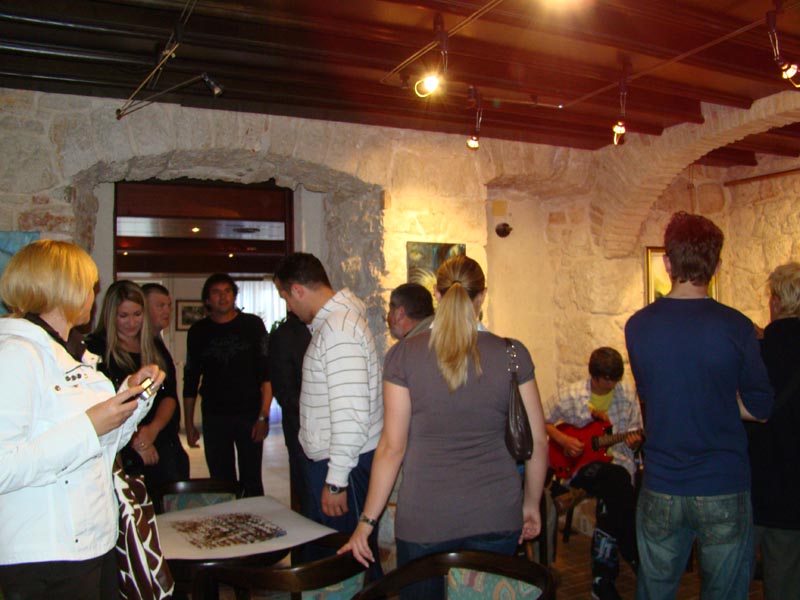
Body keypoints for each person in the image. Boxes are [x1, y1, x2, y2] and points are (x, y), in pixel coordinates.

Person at [341, 254, 549, 600]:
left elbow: (392, 448)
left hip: (425, 519)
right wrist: (530, 504)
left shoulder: (403, 355)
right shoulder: (513, 354)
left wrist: (366, 523)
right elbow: (538, 441)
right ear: (482, 296)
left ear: (437, 295)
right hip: (496, 515)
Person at [0, 240, 164, 599]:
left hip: (91, 541)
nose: (93, 296)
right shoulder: (15, 355)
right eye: (90, 286)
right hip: (45, 555)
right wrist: (90, 424)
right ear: (67, 289)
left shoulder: (73, 352)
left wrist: (134, 396)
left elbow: (102, 446)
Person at [625, 211, 773, 600]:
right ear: (717, 266)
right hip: (722, 482)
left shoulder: (638, 326)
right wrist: (722, 399)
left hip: (662, 481)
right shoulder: (737, 326)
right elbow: (760, 408)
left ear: (667, 263)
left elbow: (653, 393)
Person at [272, 253, 383, 576]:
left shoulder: (338, 330)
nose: (289, 308)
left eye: (286, 298)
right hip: (339, 462)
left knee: (344, 566)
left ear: (298, 290)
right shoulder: (334, 325)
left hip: (343, 465)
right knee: (341, 560)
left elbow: (351, 413)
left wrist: (335, 482)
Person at [544, 347, 642, 600]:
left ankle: (603, 581)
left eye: (615, 380)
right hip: (578, 466)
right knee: (618, 483)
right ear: (594, 376)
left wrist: (634, 442)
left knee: (613, 495)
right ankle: (633, 555)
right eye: (607, 381)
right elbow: (541, 420)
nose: (612, 386)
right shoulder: (571, 394)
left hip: (617, 463)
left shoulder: (627, 394)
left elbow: (635, 432)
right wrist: (564, 440)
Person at [86, 281, 188, 496]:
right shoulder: (96, 348)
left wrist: (152, 430)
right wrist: (136, 440)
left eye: (137, 314)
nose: (131, 323)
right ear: (110, 315)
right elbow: (98, 404)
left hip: (161, 439)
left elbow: (168, 395)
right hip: (120, 447)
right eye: (123, 316)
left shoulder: (154, 345)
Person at [183, 273, 271, 497]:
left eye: (227, 291)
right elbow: (191, 379)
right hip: (215, 416)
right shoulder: (198, 332)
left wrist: (263, 416)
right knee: (221, 482)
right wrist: (189, 423)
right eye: (216, 292)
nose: (223, 297)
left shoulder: (252, 325)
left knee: (252, 480)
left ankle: (255, 518)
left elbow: (266, 374)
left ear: (234, 295)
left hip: (249, 413)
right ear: (207, 300)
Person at [747, 262, 800, 600]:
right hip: (794, 492)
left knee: (731, 582)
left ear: (776, 301)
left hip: (752, 484)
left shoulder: (755, 353)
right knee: (786, 584)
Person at [267, 311, 312, 513]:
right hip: (300, 425)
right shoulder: (285, 334)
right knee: (307, 492)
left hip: (332, 431)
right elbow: (283, 388)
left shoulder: (329, 327)